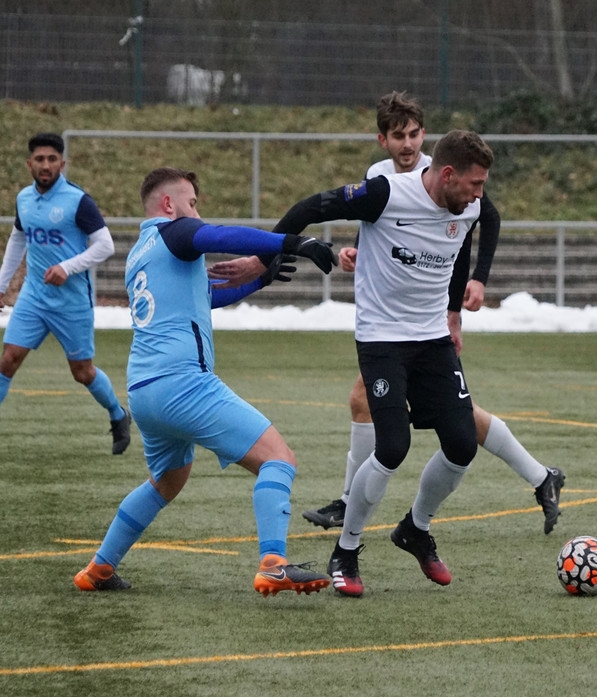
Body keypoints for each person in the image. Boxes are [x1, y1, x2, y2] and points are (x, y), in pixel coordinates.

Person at [208, 92, 565, 536]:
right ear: (383, 140)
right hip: (389, 322)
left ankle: (351, 506)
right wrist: (354, 252)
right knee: (434, 415)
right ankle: (539, 476)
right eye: (399, 136)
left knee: (429, 416)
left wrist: (464, 297)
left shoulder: (448, 177)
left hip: (419, 325)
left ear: (425, 136)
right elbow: (376, 225)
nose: (408, 144)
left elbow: (471, 227)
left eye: (414, 134)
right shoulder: (379, 180)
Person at [73, 167, 336, 596]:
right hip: (182, 383)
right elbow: (218, 235)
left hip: (143, 390)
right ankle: (273, 564)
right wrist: (294, 242)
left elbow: (204, 297)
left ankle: (99, 568)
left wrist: (262, 278)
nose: (196, 213)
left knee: (167, 481)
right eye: (192, 203)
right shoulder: (176, 232)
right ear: (168, 204)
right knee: (279, 459)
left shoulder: (140, 254)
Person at [264, 129, 495, 597]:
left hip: (432, 339)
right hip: (382, 339)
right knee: (393, 446)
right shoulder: (386, 193)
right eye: (474, 184)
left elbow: (467, 245)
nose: (479, 195)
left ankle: (415, 528)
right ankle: (345, 551)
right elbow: (312, 207)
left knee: (462, 444)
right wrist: (268, 251)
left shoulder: (467, 206)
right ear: (448, 175)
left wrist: (455, 310)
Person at [0, 132, 132, 454]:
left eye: (52, 159)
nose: (46, 165)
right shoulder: (24, 199)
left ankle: (118, 415)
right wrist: (1, 286)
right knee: (8, 360)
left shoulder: (78, 200)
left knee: (82, 372)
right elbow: (18, 238)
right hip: (34, 296)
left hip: (71, 302)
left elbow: (105, 245)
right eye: (40, 159)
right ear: (29, 164)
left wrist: (67, 267)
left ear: (62, 163)